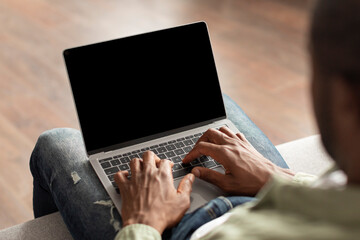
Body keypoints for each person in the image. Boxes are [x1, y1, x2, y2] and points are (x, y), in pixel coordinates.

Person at [29, 0, 360, 239]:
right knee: (216, 112)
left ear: (345, 99)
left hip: (182, 229)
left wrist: (144, 221)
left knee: (56, 142)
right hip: (271, 192)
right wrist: (279, 180)